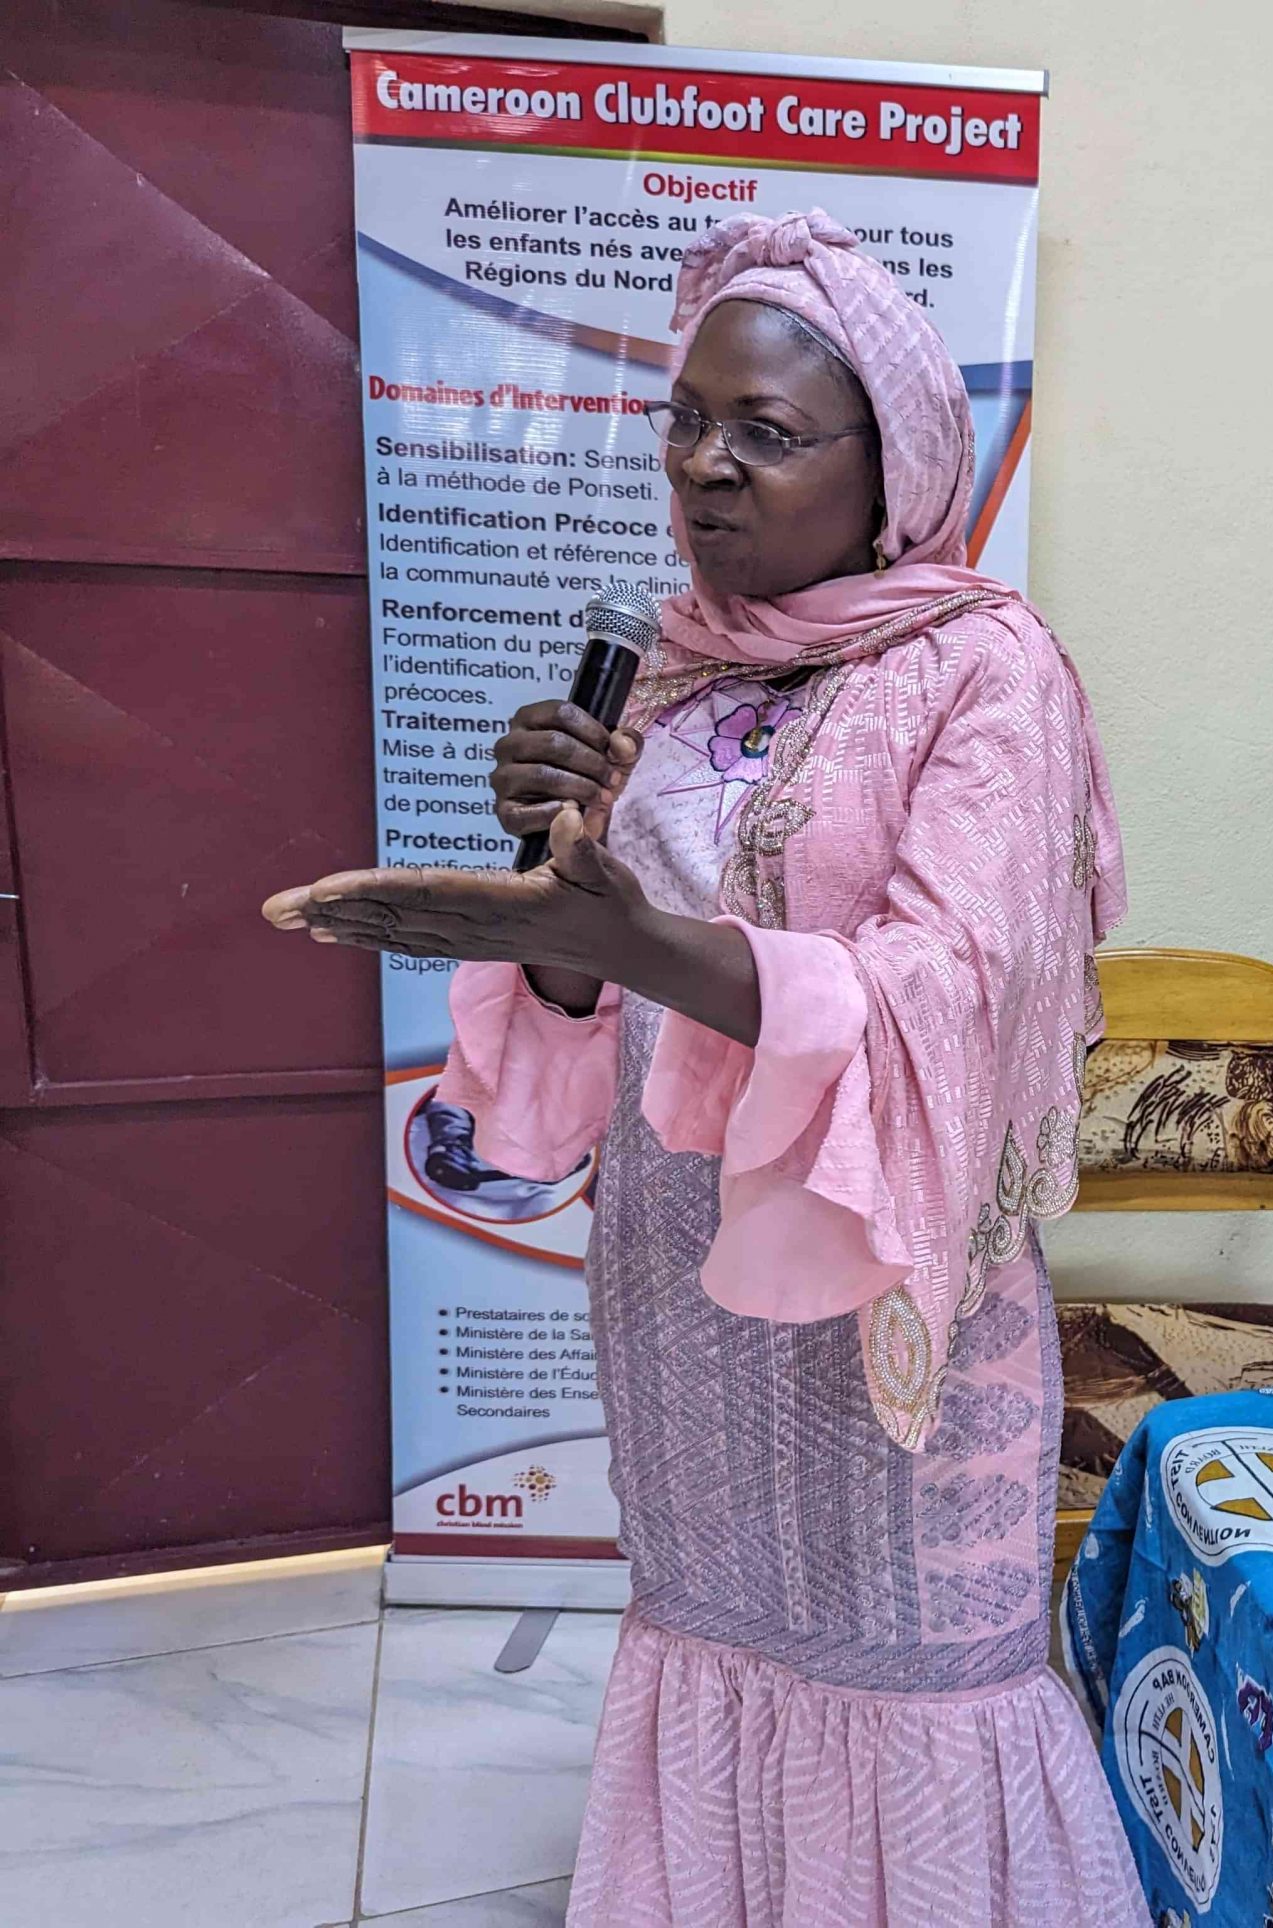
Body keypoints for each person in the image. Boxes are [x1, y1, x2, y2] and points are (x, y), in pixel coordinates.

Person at [266, 211, 1145, 1926]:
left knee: (919, 1673)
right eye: (686, 422)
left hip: (893, 1296)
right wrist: (547, 900)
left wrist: (630, 936)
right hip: (682, 1276)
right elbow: (573, 1049)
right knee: (718, 1630)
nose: (706, 468)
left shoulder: (987, 668)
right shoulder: (668, 670)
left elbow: (944, 988)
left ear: (888, 461)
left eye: (764, 431)